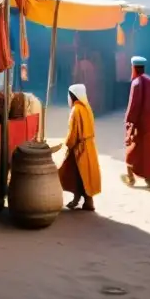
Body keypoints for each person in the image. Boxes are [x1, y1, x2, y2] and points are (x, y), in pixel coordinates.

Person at [122, 55, 150, 188]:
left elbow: (133, 106)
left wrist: (129, 121)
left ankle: (130, 177)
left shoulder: (136, 84)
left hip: (139, 126)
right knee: (148, 152)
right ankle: (149, 179)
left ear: (134, 68)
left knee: (131, 152)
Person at [57, 83, 102, 211]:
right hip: (89, 146)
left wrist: (67, 144)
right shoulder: (87, 107)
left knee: (82, 175)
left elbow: (73, 132)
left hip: (79, 147)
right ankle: (77, 199)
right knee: (80, 173)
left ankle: (88, 202)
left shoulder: (76, 110)